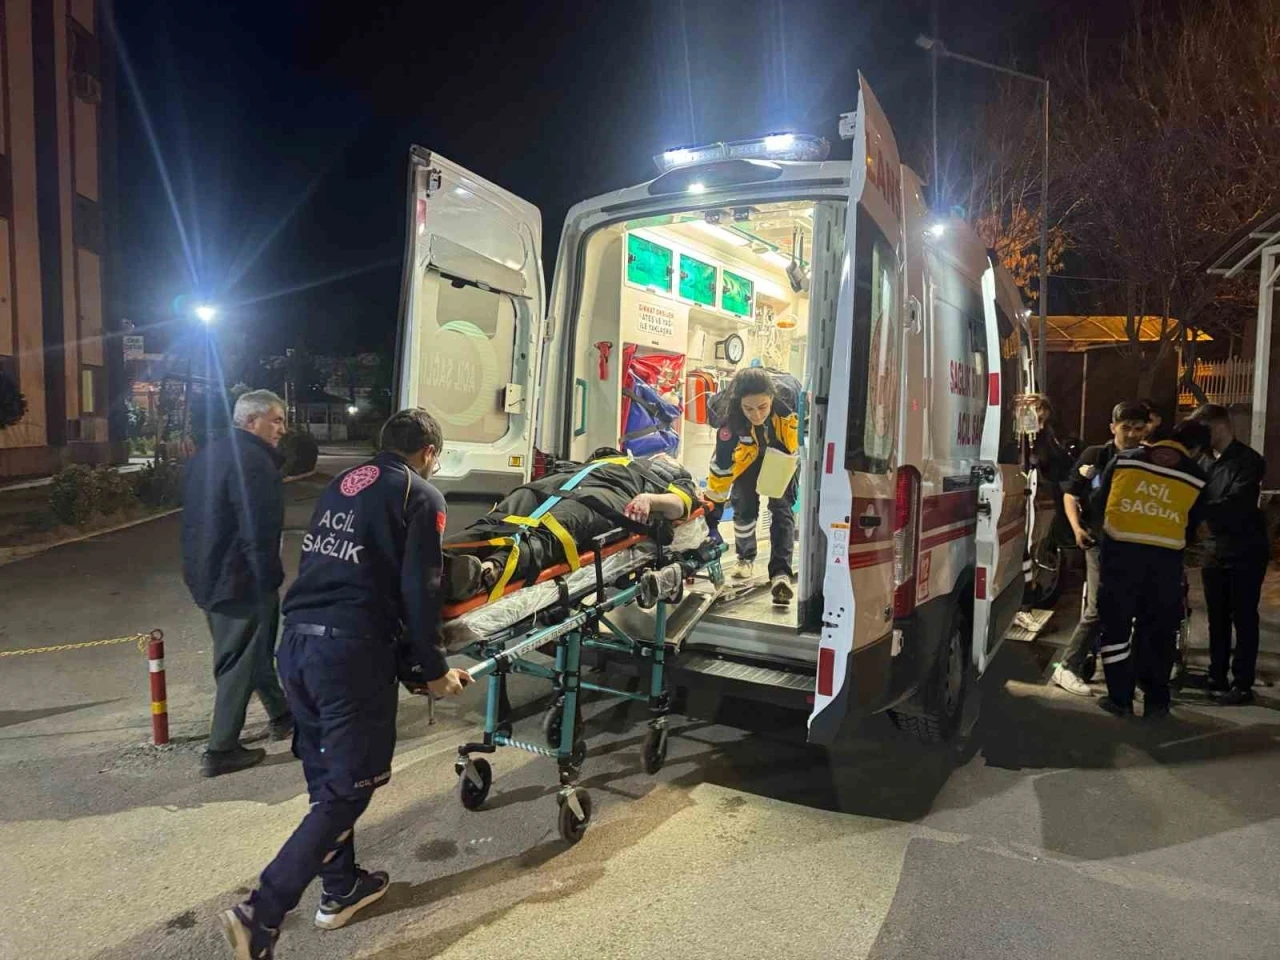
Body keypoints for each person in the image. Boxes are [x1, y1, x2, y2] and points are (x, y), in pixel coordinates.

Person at [219, 409, 473, 960]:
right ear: (429, 451)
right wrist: (433, 670)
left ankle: (340, 889)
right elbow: (420, 589)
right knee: (350, 787)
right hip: (349, 654)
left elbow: (352, 569)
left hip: (299, 645)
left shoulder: (344, 483)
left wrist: (410, 665)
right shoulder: (421, 495)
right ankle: (261, 912)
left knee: (327, 779)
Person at [181, 389, 294, 778]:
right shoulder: (254, 463)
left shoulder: (208, 455)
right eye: (276, 420)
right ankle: (221, 748)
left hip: (208, 575)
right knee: (238, 661)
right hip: (241, 579)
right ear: (251, 421)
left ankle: (282, 715)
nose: (282, 429)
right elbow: (258, 529)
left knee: (253, 652)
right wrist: (268, 579)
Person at [444, 448, 699, 602]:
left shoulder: (677, 478)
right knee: (499, 519)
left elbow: (678, 505)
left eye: (672, 458)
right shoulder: (617, 457)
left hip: (610, 495)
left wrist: (649, 499)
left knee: (552, 530)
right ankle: (443, 556)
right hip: (561, 482)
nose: (667, 455)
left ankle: (486, 572)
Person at [1090, 418, 1210, 719]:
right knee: (1158, 631)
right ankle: (1156, 701)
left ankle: (1120, 699)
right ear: (1196, 449)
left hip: (1120, 558)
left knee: (1116, 628)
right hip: (1164, 565)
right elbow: (1192, 526)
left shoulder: (1125, 460)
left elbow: (1098, 502)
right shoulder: (1196, 475)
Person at [1052, 401, 1151, 696]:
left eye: (1138, 428)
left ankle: (1126, 674)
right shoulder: (1096, 456)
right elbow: (1070, 493)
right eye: (1125, 427)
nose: (1131, 434)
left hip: (1137, 544)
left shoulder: (1150, 459)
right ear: (1112, 427)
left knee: (1133, 609)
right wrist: (1077, 529)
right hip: (1099, 542)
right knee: (1097, 607)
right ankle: (1067, 666)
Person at [1191, 404, 1269, 705]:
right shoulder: (1203, 460)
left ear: (1219, 426)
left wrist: (1197, 512)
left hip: (1245, 549)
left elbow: (1237, 502)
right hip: (1214, 549)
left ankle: (1242, 683)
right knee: (1217, 616)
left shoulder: (1248, 461)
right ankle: (1217, 675)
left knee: (1244, 616)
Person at [706, 367, 800, 605]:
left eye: (762, 407)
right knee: (744, 504)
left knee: (782, 508)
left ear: (772, 398)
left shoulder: (790, 401)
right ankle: (745, 557)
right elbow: (721, 469)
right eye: (748, 409)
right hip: (747, 456)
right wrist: (712, 517)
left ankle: (781, 573)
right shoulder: (729, 422)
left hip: (780, 452)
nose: (756, 415)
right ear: (739, 404)